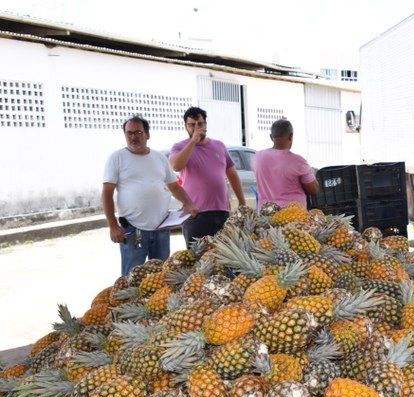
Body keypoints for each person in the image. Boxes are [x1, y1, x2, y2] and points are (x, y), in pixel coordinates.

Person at [102, 116, 199, 276]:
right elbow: (107, 193)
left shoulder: (160, 158)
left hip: (161, 228)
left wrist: (189, 203)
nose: (133, 137)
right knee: (132, 279)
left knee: (161, 277)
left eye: (138, 132)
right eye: (129, 133)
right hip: (133, 231)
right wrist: (113, 226)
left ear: (147, 134)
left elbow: (174, 186)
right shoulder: (116, 158)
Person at [169, 107, 246, 245]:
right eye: (191, 125)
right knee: (198, 259)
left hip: (222, 211)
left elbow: (232, 174)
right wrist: (193, 141)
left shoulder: (219, 146)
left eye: (200, 123)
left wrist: (242, 202)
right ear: (185, 126)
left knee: (225, 257)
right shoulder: (180, 147)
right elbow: (176, 166)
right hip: (195, 213)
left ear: (206, 125)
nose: (196, 128)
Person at [251, 118, 318, 209]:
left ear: (271, 137)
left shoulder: (257, 157)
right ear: (290, 136)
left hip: (265, 214)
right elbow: (313, 189)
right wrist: (311, 173)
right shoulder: (298, 161)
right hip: (292, 216)